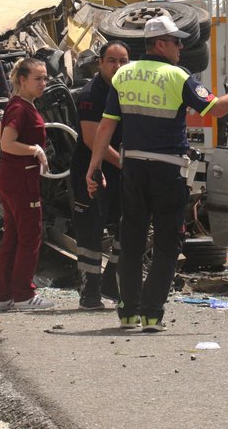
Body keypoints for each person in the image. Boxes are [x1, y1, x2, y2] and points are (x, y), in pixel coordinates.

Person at [86, 15, 228, 332]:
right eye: (177, 41)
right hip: (168, 170)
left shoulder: (123, 75)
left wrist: (94, 167)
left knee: (131, 242)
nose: (182, 46)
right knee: (166, 244)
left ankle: (128, 312)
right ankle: (151, 313)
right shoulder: (179, 76)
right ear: (160, 44)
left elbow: (106, 125)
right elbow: (217, 108)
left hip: (132, 168)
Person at [0, 58, 55, 311]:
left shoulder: (17, 105)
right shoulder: (20, 108)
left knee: (13, 237)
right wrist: (35, 149)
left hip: (11, 178)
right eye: (38, 78)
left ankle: (3, 295)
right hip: (21, 180)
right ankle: (23, 295)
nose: (43, 83)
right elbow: (6, 143)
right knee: (30, 236)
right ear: (22, 80)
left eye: (45, 78)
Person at [70, 41, 130, 310]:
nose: (118, 66)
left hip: (119, 173)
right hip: (92, 172)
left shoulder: (127, 90)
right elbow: (93, 139)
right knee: (90, 235)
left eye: (123, 61)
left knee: (127, 228)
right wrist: (126, 166)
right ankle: (89, 293)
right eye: (112, 61)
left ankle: (110, 283)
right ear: (100, 63)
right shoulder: (91, 93)